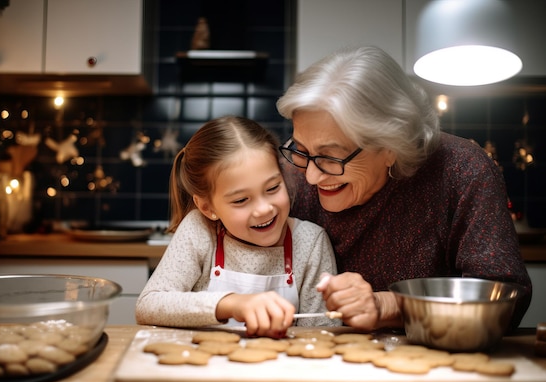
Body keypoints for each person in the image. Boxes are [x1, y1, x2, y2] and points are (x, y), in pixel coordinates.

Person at [276, 45, 532, 332]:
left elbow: (507, 299)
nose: (311, 176)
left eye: (330, 156)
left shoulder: (461, 170)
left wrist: (387, 305)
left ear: (392, 146)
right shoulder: (293, 172)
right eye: (300, 149)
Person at [135, 116, 337, 338]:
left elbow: (322, 333)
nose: (263, 209)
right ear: (207, 207)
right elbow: (148, 305)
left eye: (272, 188)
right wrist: (231, 304)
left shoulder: (310, 242)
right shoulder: (200, 231)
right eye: (241, 200)